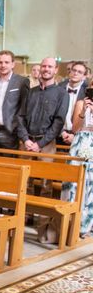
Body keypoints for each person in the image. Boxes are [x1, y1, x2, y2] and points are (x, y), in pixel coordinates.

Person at [17, 57, 69, 156]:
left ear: (56, 70)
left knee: (43, 172)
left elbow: (58, 122)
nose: (46, 69)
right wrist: (25, 139)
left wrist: (40, 144)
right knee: (21, 170)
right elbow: (20, 116)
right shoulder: (31, 92)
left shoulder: (62, 94)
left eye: (50, 66)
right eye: (44, 66)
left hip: (46, 144)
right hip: (26, 143)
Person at [0, 50, 30, 150]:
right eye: (0, 62)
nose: (3, 65)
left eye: (6, 62)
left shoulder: (21, 82)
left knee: (8, 163)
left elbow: (23, 108)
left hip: (10, 131)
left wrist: (18, 129)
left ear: (13, 64)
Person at [62, 82, 93, 235]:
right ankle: (71, 224)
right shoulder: (81, 103)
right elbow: (74, 128)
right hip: (80, 143)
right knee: (74, 185)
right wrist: (84, 112)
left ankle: (87, 224)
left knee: (91, 187)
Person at [58, 60, 88, 146]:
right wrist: (62, 132)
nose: (75, 73)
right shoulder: (59, 87)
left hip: (79, 137)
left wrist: (74, 135)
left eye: (80, 72)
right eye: (74, 70)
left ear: (84, 76)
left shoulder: (88, 91)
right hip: (58, 134)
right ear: (70, 72)